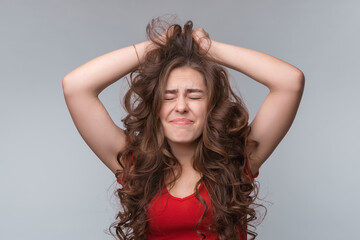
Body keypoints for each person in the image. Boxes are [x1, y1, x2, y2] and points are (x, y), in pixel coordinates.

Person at [62, 17, 304, 240]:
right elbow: (76, 86)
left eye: (195, 96)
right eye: (168, 97)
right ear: (155, 107)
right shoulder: (135, 165)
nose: (180, 106)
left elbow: (289, 81)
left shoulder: (238, 159)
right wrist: (159, 44)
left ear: (212, 106)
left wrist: (207, 47)